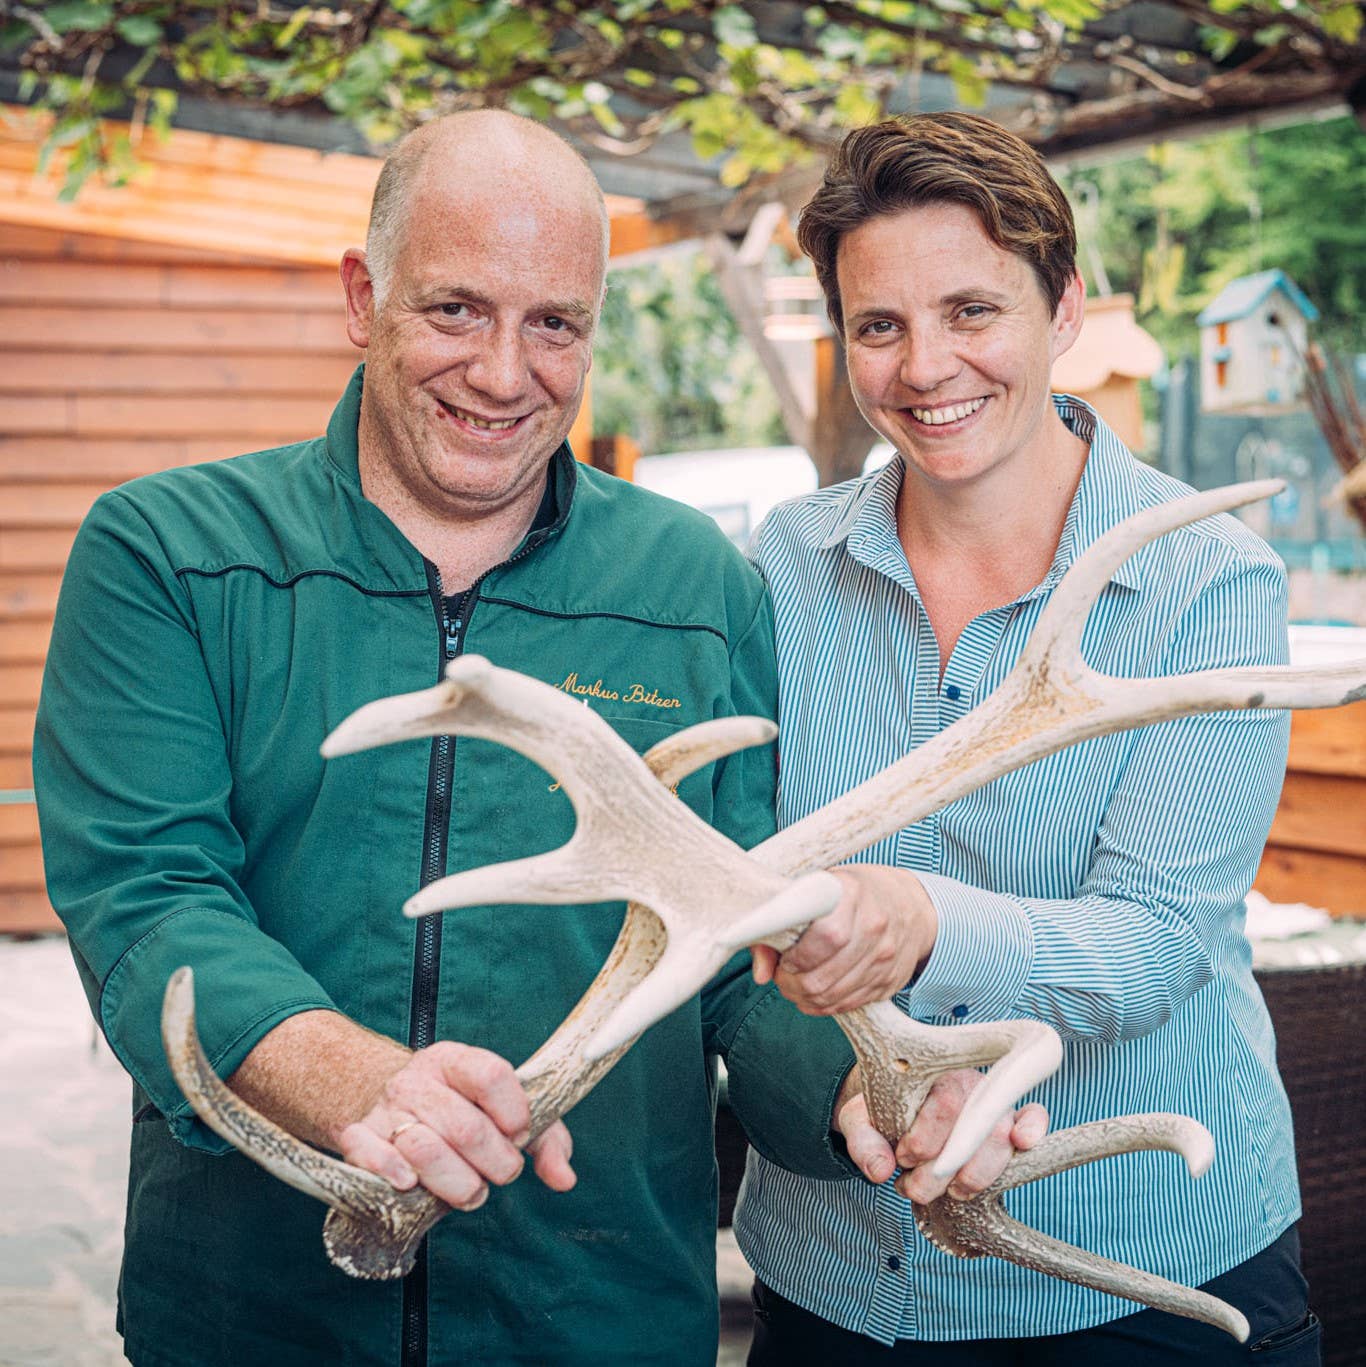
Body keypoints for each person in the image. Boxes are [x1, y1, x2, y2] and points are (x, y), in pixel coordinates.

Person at [31, 112, 907, 1367]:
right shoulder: (171, 553)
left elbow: (730, 940)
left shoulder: (692, 583)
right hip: (255, 1315)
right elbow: (146, 897)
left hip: (595, 1317)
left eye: (554, 323)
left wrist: (859, 1085)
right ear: (362, 296)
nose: (504, 373)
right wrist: (356, 1082)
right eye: (455, 310)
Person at [737, 112, 1321, 1364]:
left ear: (1063, 307)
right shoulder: (785, 563)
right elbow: (734, 899)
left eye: (971, 311)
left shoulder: (1207, 580)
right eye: (878, 326)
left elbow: (1155, 941)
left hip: (1134, 1278)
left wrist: (924, 922)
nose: (924, 366)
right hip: (836, 1272)